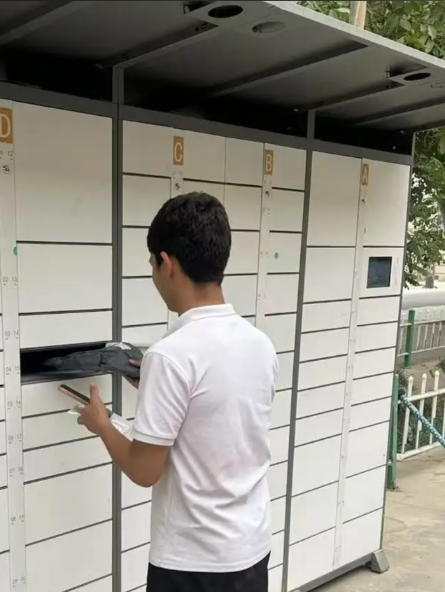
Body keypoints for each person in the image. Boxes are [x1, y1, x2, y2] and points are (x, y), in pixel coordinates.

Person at [73, 192, 277, 592]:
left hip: (192, 564)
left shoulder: (170, 356)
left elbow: (144, 470)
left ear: (166, 263)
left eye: (152, 264)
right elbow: (216, 417)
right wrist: (155, 386)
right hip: (251, 551)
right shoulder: (260, 344)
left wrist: (103, 425)